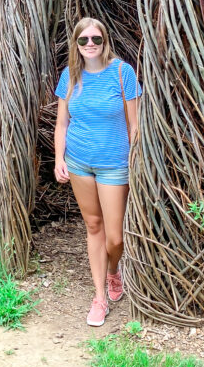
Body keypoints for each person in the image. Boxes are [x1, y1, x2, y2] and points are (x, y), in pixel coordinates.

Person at [54, 17, 141, 327]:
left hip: (114, 164)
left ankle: (114, 270)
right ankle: (100, 297)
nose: (90, 44)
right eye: (83, 40)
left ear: (105, 41)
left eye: (96, 39)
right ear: (76, 44)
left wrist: (135, 159)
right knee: (93, 225)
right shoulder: (70, 77)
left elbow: (134, 125)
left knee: (114, 238)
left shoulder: (122, 73)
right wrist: (58, 159)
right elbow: (62, 123)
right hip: (78, 162)